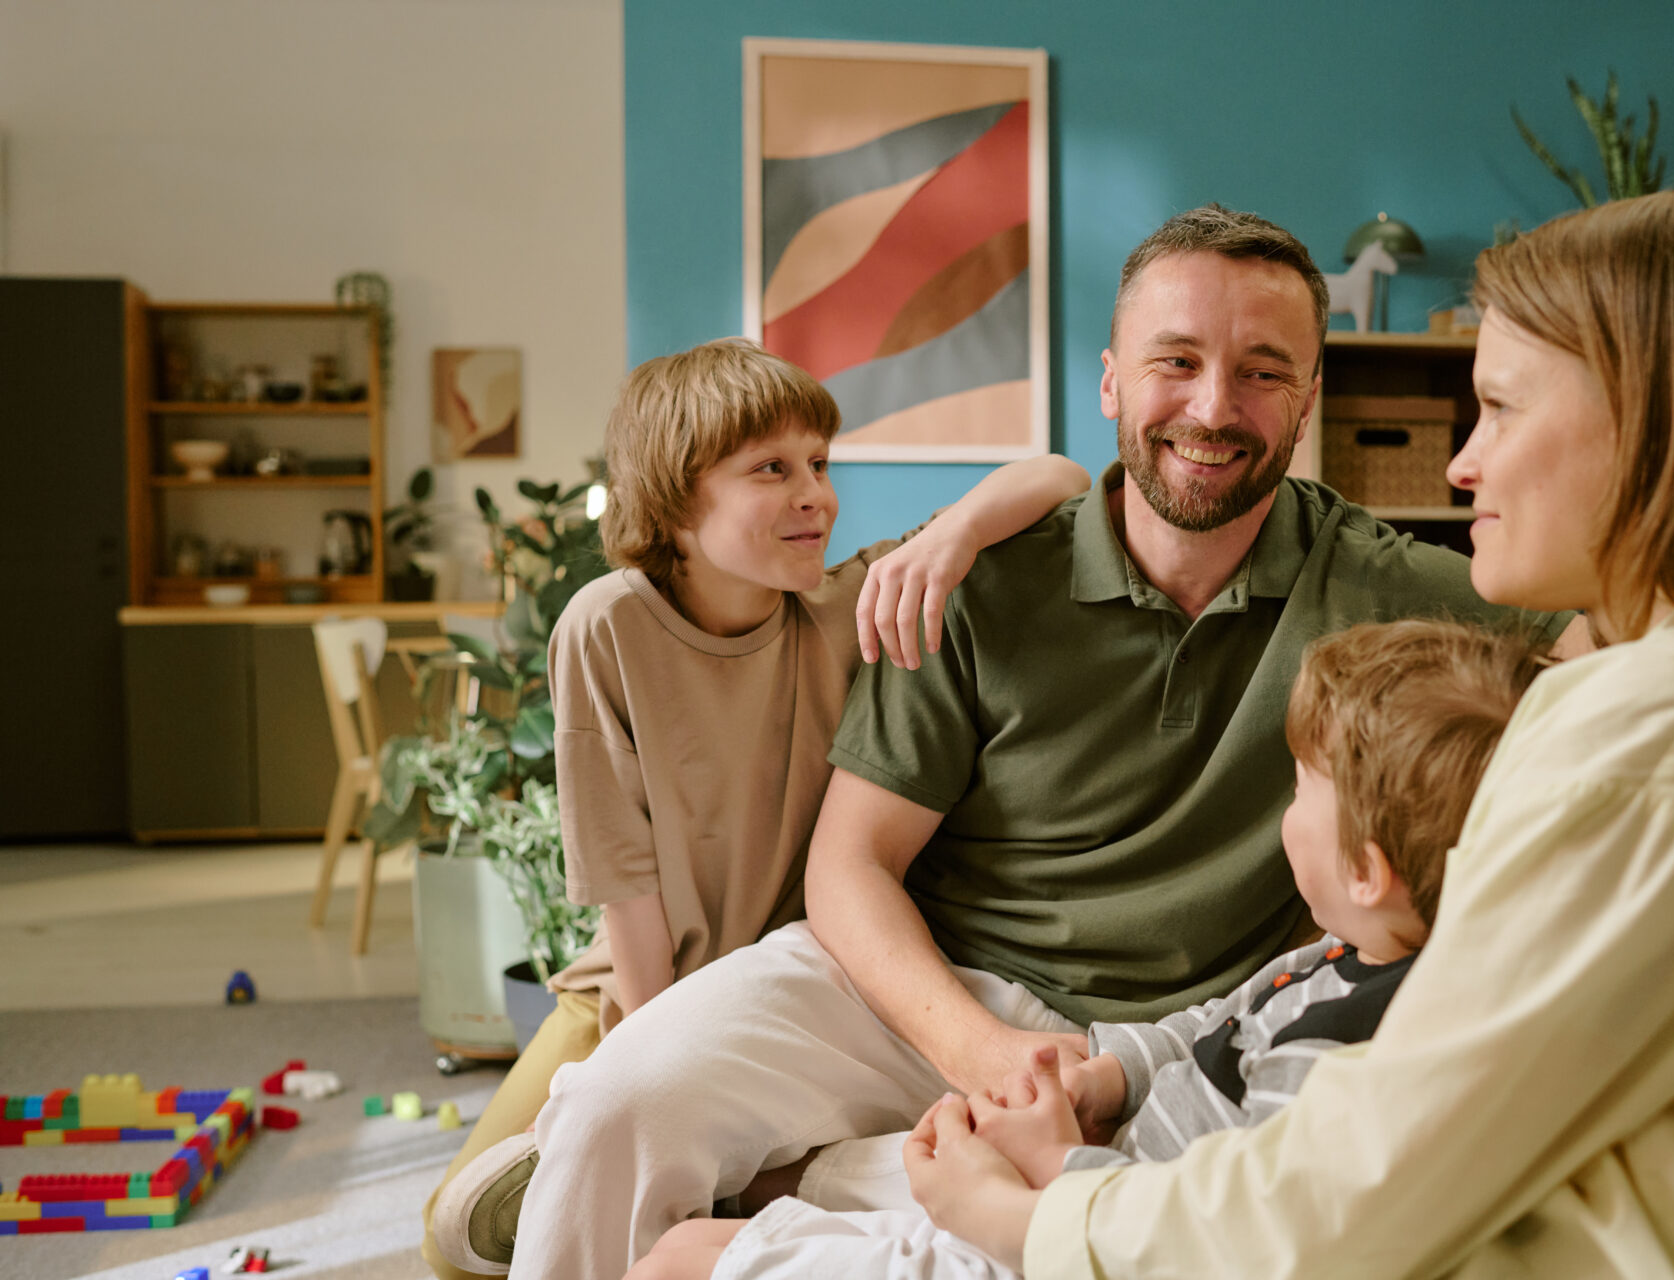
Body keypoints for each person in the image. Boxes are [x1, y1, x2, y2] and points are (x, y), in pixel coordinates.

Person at [501, 204, 1584, 1280]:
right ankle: (811, 1172)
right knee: (618, 1102)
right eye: (1177, 361)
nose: (1214, 407)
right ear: (1111, 379)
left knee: (1136, 1210)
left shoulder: (1392, 587)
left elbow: (1621, 633)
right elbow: (850, 865)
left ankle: (828, 1179)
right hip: (919, 985)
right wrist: (983, 1053)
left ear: (1308, 401)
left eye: (1262, 372)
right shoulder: (975, 574)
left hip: (1165, 1043)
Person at [908, 188, 1674, 1278]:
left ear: (1658, 421)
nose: (1460, 463)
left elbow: (1362, 1184)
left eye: (1500, 407)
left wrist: (1044, 1212)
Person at [424, 337, 1089, 1279]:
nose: (814, 492)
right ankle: (649, 1159)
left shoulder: (849, 603)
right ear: (674, 499)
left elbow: (1060, 475)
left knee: (720, 1202)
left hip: (791, 994)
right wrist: (651, 1064)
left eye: (820, 463)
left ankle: (736, 1179)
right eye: (770, 469)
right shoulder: (606, 625)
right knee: (451, 1241)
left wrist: (953, 534)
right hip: (637, 989)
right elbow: (627, 889)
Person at [629, 618, 1556, 1280]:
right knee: (775, 1193)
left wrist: (1047, 1165)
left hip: (1070, 1236)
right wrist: (1107, 1077)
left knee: (680, 1261)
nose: (1287, 811)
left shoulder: (1344, 1048)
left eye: (1304, 790)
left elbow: (1209, 1237)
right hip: (1085, 1179)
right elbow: (1212, 1027)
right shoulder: (1335, 956)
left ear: (1368, 868)